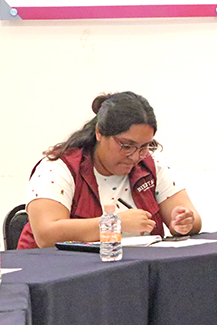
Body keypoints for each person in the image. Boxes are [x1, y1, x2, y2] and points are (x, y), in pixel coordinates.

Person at [18, 92, 202, 249]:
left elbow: (194, 220)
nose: (135, 156)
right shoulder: (58, 168)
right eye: (126, 146)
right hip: (57, 271)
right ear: (99, 133)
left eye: (144, 147)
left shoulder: (152, 164)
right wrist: (115, 223)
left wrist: (184, 222)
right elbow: (46, 235)